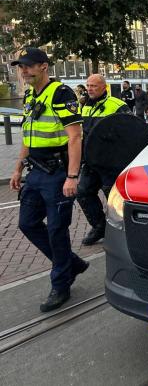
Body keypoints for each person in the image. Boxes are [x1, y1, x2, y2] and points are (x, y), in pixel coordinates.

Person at [8, 47, 89, 312]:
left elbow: (75, 137)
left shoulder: (61, 94)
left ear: (44, 66)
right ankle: (71, 264)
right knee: (28, 223)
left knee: (56, 230)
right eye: (21, 67)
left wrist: (72, 176)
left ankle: (61, 284)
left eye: (28, 66)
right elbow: (28, 137)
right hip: (35, 172)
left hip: (56, 174)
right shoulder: (31, 94)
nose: (24, 71)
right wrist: (18, 168)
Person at [77, 74, 131, 246]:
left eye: (94, 86)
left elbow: (131, 132)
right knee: (83, 193)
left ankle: (124, 231)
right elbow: (82, 134)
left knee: (113, 199)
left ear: (104, 87)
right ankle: (100, 227)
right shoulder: (85, 107)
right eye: (88, 85)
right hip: (91, 162)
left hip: (110, 163)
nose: (90, 89)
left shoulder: (117, 105)